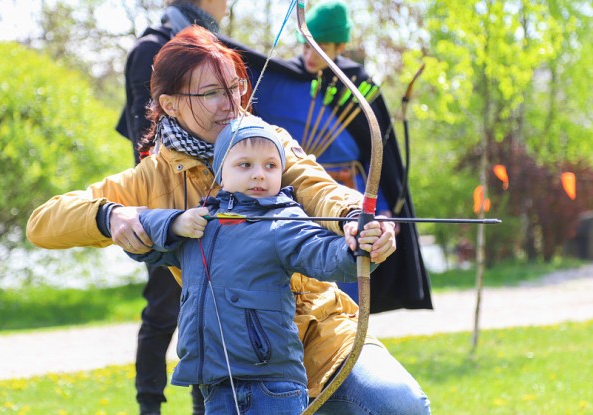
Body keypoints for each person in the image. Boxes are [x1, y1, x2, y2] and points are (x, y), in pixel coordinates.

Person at [27, 26, 429, 414]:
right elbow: (42, 223)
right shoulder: (149, 179)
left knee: (399, 404)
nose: (231, 102)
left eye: (236, 86)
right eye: (212, 93)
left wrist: (355, 218)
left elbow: (317, 186)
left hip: (325, 333)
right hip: (238, 362)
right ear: (169, 104)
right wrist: (108, 215)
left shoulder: (265, 141)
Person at [126, 115, 380, 414]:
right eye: (245, 165)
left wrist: (358, 248)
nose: (259, 174)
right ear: (220, 172)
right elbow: (142, 245)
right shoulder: (199, 225)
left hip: (272, 386)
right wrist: (173, 223)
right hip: (216, 386)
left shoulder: (284, 222)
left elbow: (325, 255)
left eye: (271, 166)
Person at [238, 0, 432, 312]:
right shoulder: (283, 79)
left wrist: (381, 210)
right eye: (307, 46)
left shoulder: (357, 83)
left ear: (340, 45)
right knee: (301, 289)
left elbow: (376, 160)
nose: (310, 56)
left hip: (349, 194)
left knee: (346, 289)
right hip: (299, 195)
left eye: (322, 46)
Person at [114, 1, 228, 413]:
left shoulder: (210, 47)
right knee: (164, 310)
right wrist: (165, 214)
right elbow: (146, 141)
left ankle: (205, 406)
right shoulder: (151, 50)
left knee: (209, 315)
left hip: (210, 204)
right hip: (163, 210)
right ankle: (149, 407)